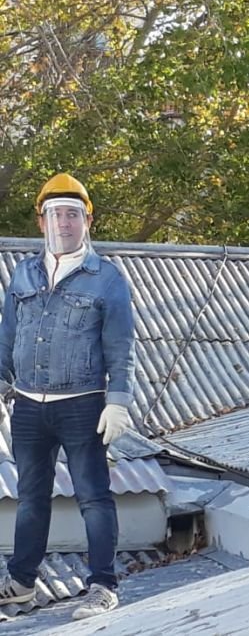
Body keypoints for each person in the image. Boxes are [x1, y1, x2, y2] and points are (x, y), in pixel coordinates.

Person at [0, 174, 136, 618]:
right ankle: (22, 583)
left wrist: (118, 401)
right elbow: (8, 335)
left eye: (72, 215)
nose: (64, 223)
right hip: (28, 407)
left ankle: (103, 586)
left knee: (93, 498)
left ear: (87, 221)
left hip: (82, 406)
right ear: (42, 222)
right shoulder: (24, 273)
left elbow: (121, 346)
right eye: (56, 214)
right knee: (30, 498)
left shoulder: (107, 279)